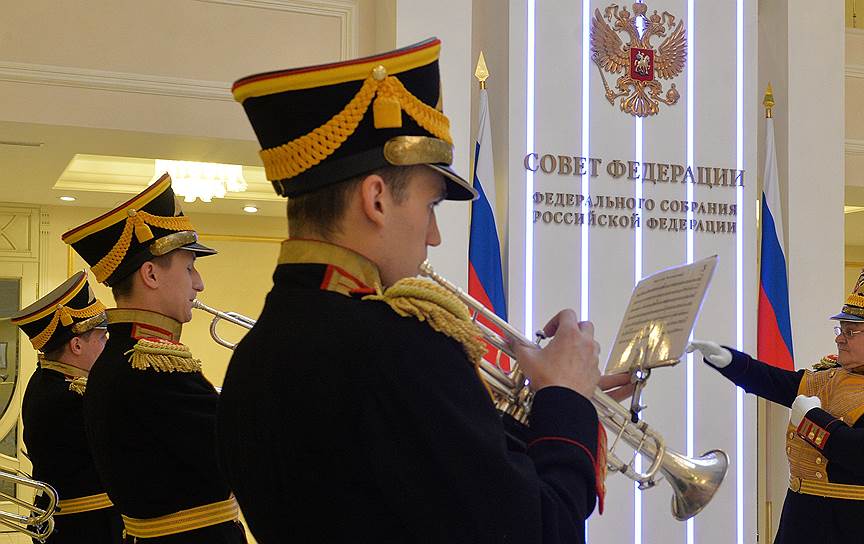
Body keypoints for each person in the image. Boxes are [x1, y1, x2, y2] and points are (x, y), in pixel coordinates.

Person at [217, 38, 622, 543]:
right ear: (376, 199)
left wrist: (552, 401)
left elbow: (435, 486)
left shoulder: (253, 356)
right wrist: (566, 399)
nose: (434, 236)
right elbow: (543, 530)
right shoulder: (400, 349)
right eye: (430, 206)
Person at [61, 175, 246, 543]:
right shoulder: (150, 368)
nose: (199, 283)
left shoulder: (125, 359)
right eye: (189, 268)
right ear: (150, 274)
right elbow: (240, 449)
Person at [688, 266, 864, 544]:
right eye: (841, 329)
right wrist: (730, 361)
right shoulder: (826, 377)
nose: (839, 338)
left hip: (860, 527)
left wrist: (812, 419)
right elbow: (773, 382)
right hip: (800, 520)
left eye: (851, 331)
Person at [10, 271, 122, 543]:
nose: (107, 345)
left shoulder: (47, 379)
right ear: (76, 345)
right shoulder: (68, 397)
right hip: (85, 529)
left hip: (73, 525)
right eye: (102, 338)